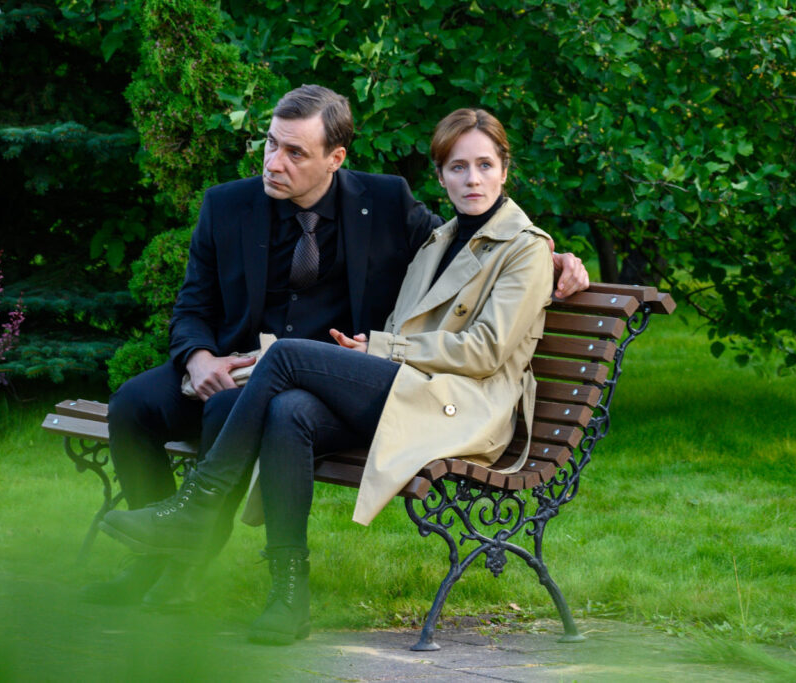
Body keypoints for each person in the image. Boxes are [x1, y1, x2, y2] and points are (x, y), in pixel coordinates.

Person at [87, 85, 589, 607]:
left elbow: (492, 243)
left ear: (335, 158)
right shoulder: (227, 205)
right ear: (441, 175)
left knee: (264, 387)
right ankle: (159, 558)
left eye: (295, 152)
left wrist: (551, 256)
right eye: (271, 144)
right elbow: (193, 302)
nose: (274, 163)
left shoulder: (385, 203)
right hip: (239, 364)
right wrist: (198, 357)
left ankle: (190, 544)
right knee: (133, 404)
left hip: (341, 378)